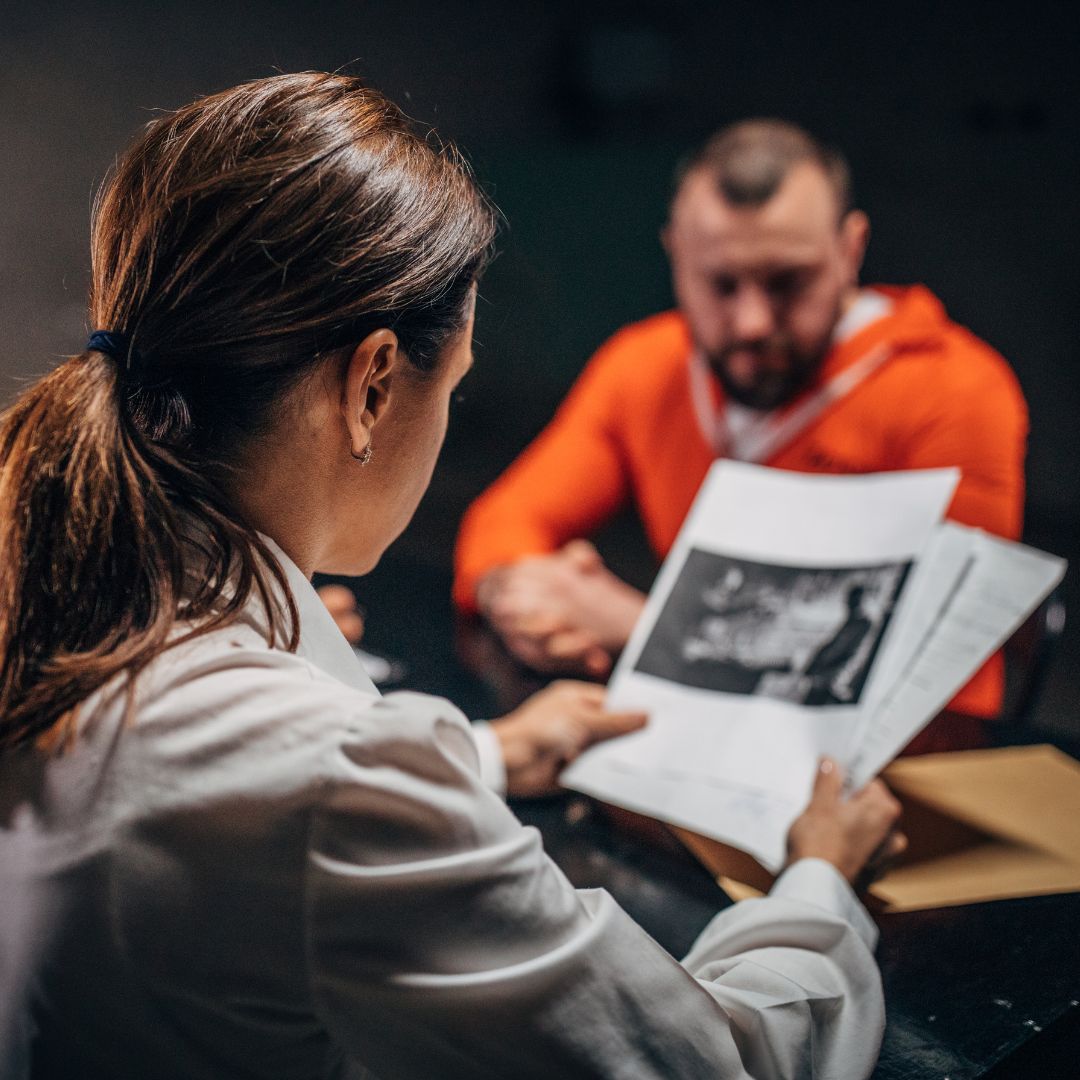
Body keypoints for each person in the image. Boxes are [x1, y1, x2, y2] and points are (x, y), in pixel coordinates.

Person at [0, 75, 904, 1079]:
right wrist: (820, 881)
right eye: (456, 382)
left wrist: (486, 752)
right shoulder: (335, 776)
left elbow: (230, 813)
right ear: (374, 383)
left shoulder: (53, 595)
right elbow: (720, 1062)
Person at [454, 119, 1028, 745]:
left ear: (851, 249)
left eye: (788, 283)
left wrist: (645, 629)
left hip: (906, 761)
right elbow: (504, 521)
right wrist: (520, 594)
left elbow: (931, 659)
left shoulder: (956, 392)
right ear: (675, 252)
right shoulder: (645, 366)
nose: (752, 322)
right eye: (721, 283)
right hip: (706, 738)